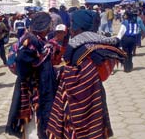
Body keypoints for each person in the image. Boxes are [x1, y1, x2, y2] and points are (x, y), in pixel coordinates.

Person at [46, 9, 126, 139]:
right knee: (95, 125)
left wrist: (57, 71)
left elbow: (80, 74)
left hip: (79, 97)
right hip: (95, 93)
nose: (70, 27)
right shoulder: (95, 42)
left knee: (80, 128)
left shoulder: (81, 47)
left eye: (73, 23)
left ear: (79, 26)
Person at [6, 12, 58, 139]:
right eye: (48, 26)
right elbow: (22, 64)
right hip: (32, 88)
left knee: (40, 118)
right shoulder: (30, 41)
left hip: (39, 85)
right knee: (34, 121)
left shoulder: (37, 39)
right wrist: (36, 71)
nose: (50, 29)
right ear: (43, 26)